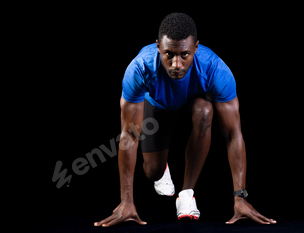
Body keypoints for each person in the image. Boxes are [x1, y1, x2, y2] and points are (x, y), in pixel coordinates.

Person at [94, 13, 276, 227]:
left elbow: (233, 134)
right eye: (168, 54)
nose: (176, 64)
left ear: (196, 48)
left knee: (205, 111)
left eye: (185, 55)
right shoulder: (140, 68)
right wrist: (126, 201)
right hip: (158, 105)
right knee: (152, 171)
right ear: (158, 47)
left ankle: (187, 194)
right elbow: (129, 136)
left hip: (194, 101)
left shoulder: (215, 68)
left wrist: (240, 197)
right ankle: (161, 170)